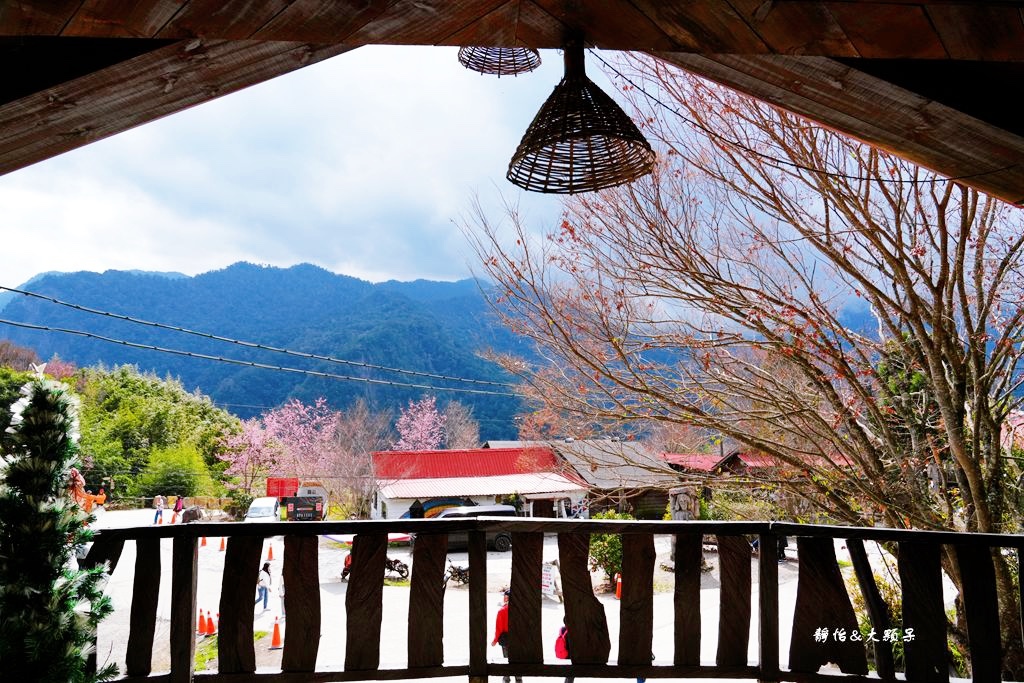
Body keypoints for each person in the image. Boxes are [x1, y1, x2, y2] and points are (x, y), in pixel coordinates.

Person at [491, 588, 522, 683]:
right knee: (517, 659)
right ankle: (518, 678)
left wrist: (495, 640)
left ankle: (506, 678)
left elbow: (498, 628)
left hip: (506, 639)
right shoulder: (520, 611)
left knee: (506, 659)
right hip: (517, 638)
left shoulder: (502, 611)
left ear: (506, 598)